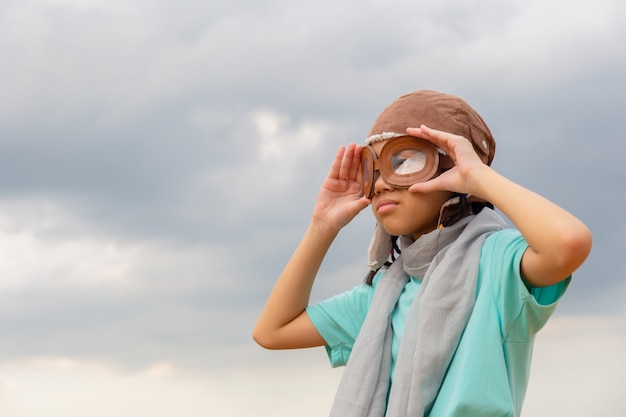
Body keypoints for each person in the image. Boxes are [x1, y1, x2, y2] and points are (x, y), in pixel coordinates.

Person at [252, 90, 592, 417]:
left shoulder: (497, 264)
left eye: (405, 160)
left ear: (453, 170)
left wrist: (477, 176)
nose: (383, 183)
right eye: (374, 169)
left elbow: (568, 244)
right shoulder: (384, 297)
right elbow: (272, 331)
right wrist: (322, 226)